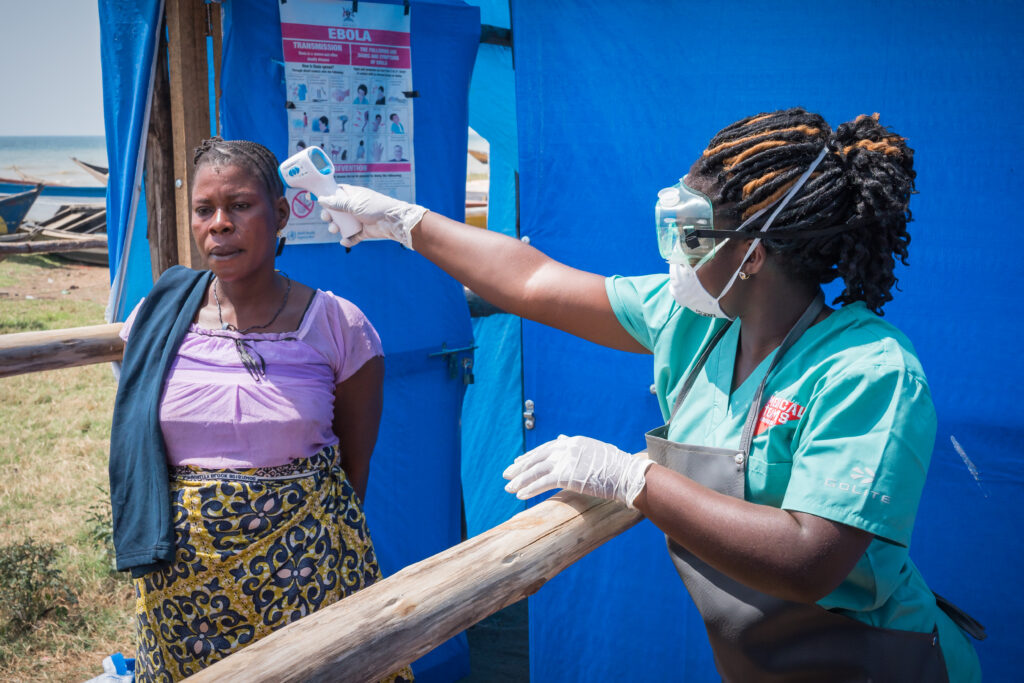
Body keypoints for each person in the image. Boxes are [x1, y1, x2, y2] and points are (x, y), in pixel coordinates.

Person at [317, 109, 983, 681]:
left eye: (691, 237)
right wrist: (404, 222)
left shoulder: (866, 369)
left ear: (752, 254)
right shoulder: (694, 320)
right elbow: (534, 281)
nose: (674, 257)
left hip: (880, 661)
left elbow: (808, 559)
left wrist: (632, 478)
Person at [109, 138, 412, 683]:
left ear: (280, 213)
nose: (219, 224)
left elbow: (354, 468)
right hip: (181, 587)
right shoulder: (156, 321)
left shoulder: (339, 326)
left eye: (240, 205)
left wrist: (296, 538)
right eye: (205, 210)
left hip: (308, 571)